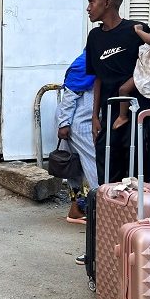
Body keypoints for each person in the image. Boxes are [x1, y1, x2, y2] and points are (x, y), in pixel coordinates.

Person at [85, 0, 150, 186]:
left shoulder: (137, 30)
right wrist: (95, 116)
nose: (88, 8)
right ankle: (110, 217)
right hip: (109, 117)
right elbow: (97, 77)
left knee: (139, 176)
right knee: (108, 176)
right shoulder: (94, 37)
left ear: (106, 3)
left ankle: (139, 216)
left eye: (92, 1)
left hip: (139, 115)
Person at [56, 51, 98, 223]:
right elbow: (70, 94)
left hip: (73, 122)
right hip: (78, 123)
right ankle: (99, 211)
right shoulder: (85, 64)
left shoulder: (86, 61)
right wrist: (64, 123)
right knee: (94, 168)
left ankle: (77, 209)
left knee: (75, 169)